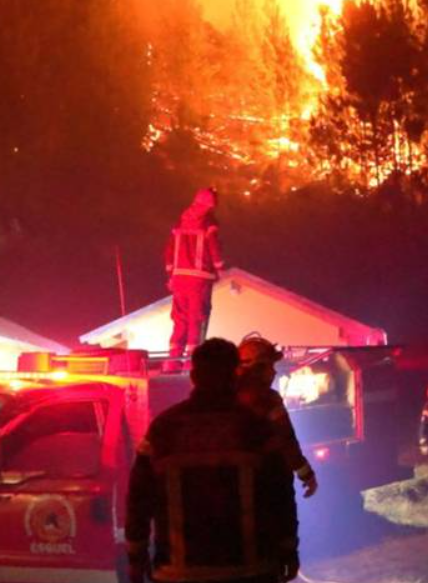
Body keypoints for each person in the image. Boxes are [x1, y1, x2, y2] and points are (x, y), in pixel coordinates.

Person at [125, 338, 300, 583]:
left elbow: (139, 497)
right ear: (234, 375)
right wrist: (288, 548)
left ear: (194, 376)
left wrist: (136, 555)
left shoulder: (163, 429)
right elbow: (280, 494)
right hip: (249, 571)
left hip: (178, 573)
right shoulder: (256, 428)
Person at [236, 334, 318, 498]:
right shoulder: (268, 399)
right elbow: (286, 438)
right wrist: (306, 474)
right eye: (269, 366)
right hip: (267, 481)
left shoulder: (224, 396)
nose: (273, 371)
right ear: (256, 368)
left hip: (233, 486)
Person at [164, 187, 224, 368]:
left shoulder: (180, 222)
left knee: (180, 320)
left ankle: (172, 363)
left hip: (179, 279)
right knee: (196, 319)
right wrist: (219, 268)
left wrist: (171, 274)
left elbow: (169, 250)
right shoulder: (208, 222)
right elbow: (213, 247)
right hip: (200, 279)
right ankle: (191, 363)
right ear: (210, 204)